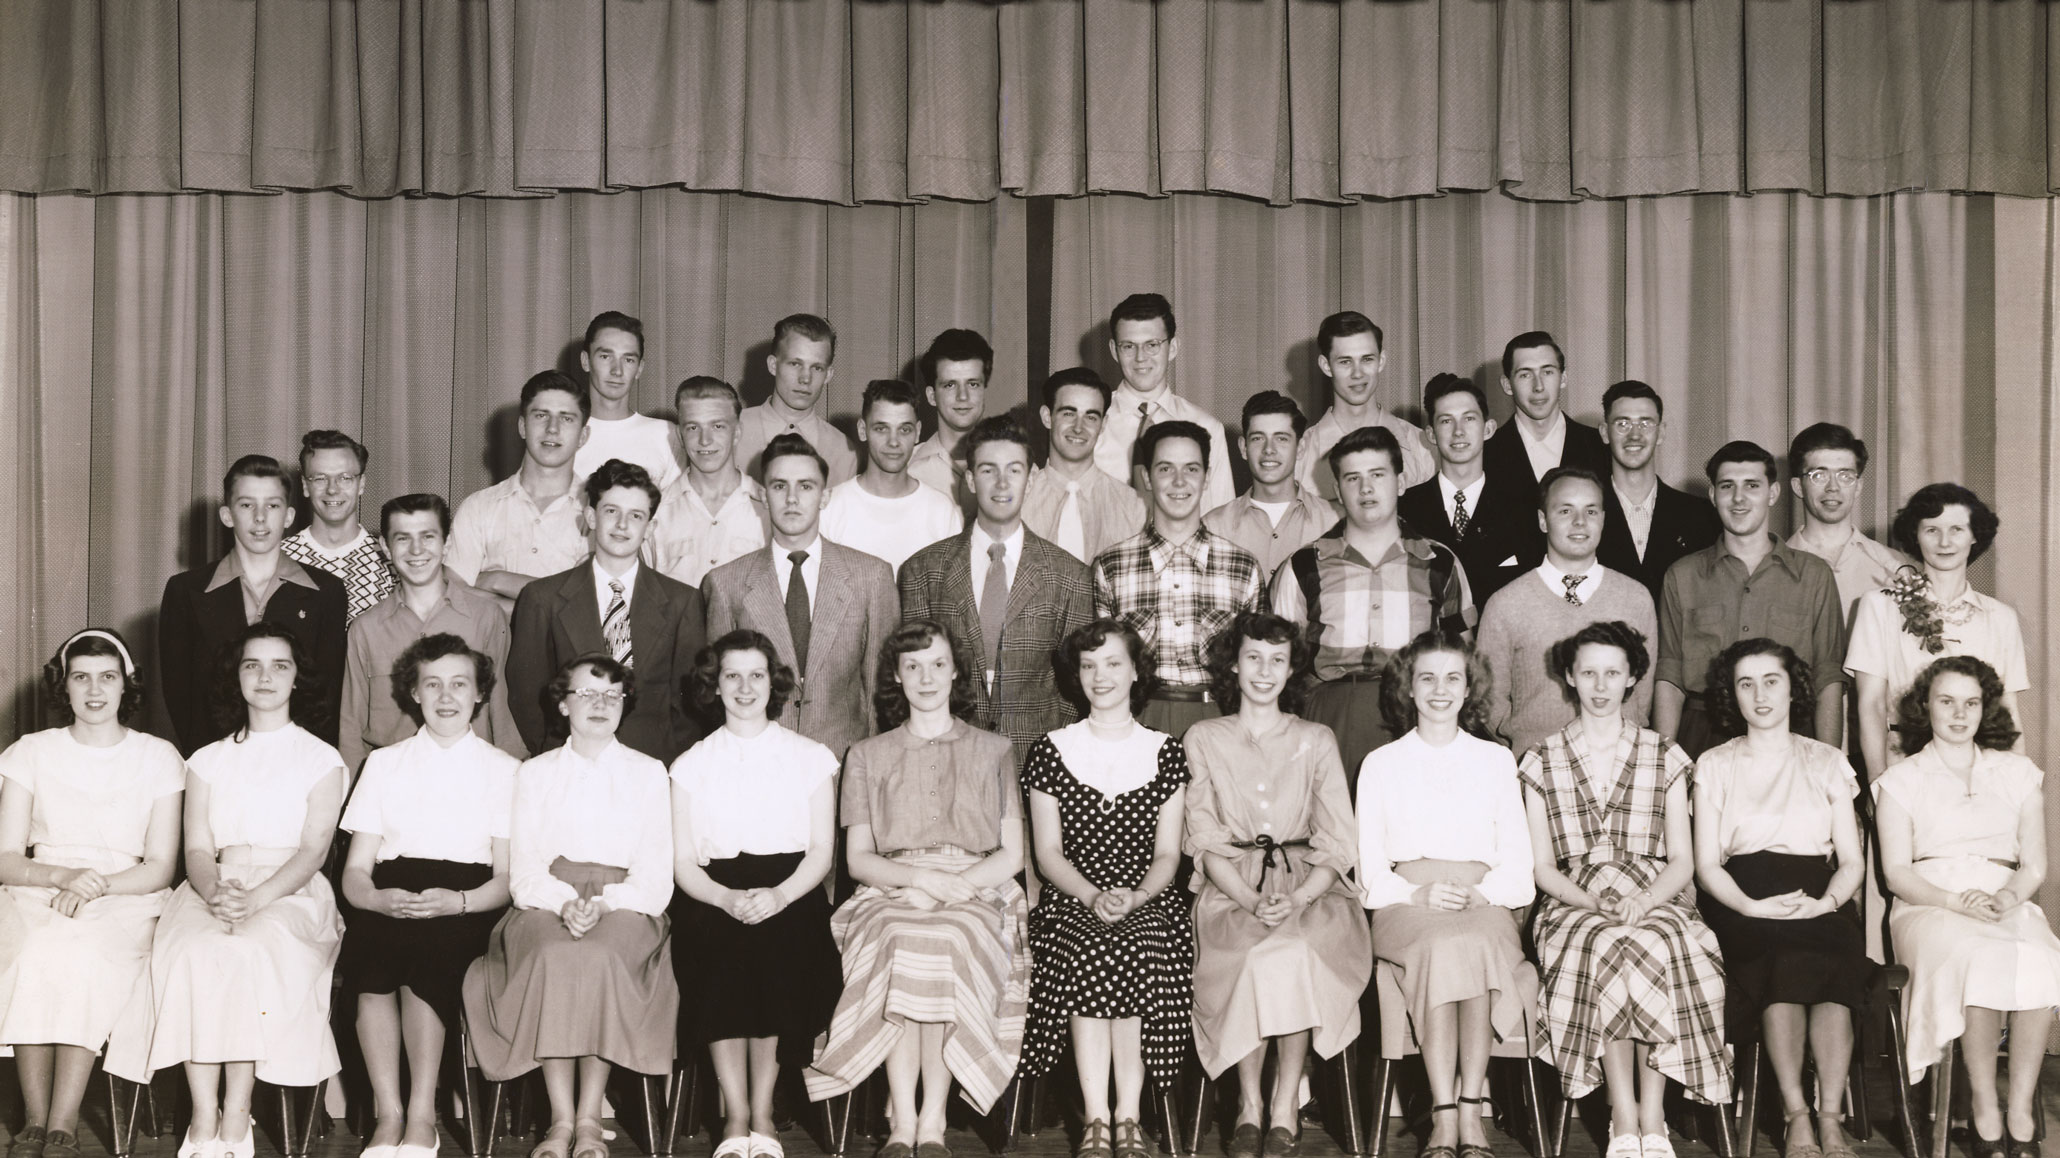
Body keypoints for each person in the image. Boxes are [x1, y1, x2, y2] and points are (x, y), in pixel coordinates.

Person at [105, 624, 349, 1158]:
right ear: (235, 677)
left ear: (297, 677)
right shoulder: (207, 760)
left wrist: (257, 900)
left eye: (279, 665)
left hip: (291, 889)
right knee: (197, 950)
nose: (265, 677)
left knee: (244, 950)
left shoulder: (322, 759)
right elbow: (197, 849)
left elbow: (313, 852)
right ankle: (203, 1112)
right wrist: (217, 890)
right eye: (252, 665)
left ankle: (236, 1113)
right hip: (213, 882)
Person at [806, 622, 1031, 1139]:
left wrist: (959, 885)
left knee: (948, 938)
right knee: (902, 938)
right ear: (896, 677)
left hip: (978, 884)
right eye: (912, 666)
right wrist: (917, 879)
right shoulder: (866, 755)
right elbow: (859, 860)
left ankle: (933, 1118)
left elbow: (1011, 854)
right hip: (891, 886)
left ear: (956, 672)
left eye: (937, 664)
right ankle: (903, 1118)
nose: (925, 678)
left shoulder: (994, 749)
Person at [1519, 620, 1731, 1158]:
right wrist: (1591, 902)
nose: (1599, 684)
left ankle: (1652, 1116)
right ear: (1568, 677)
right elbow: (1543, 867)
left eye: (1612, 672)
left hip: (1655, 888)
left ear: (1633, 676)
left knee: (1656, 942)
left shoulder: (1665, 754)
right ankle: (1622, 1112)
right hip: (1574, 895)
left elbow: (1682, 860)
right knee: (1607, 942)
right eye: (1587, 672)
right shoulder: (1541, 760)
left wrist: (1644, 900)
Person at [460, 656, 677, 1158]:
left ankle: (588, 1118)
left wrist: (604, 904)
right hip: (545, 900)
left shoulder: (648, 773)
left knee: (598, 957)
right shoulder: (534, 774)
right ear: (563, 704)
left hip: (627, 904)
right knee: (555, 957)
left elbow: (655, 872)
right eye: (586, 694)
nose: (599, 705)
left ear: (624, 705)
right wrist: (564, 904)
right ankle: (559, 1119)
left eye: (611, 696)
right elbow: (526, 868)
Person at [1184, 613, 1371, 1157]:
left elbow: (1338, 838)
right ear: (1234, 665)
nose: (1264, 671)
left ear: (1292, 669)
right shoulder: (1204, 737)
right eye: (1253, 658)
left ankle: (1286, 1098)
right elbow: (1204, 835)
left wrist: (1299, 897)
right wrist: (1246, 899)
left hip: (1310, 885)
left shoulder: (1315, 738)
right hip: (1230, 886)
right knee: (1251, 953)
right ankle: (1249, 1103)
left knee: (1294, 948)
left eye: (1277, 660)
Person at [0, 631, 182, 1158]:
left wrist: (97, 887)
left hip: (126, 895)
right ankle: (33, 1118)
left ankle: (63, 1120)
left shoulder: (158, 756)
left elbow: (159, 866)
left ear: (127, 685)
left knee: (81, 952)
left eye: (108, 677)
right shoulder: (30, 753)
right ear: (64, 684)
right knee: (35, 949)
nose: (95, 690)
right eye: (81, 676)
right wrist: (60, 877)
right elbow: (7, 857)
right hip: (40, 886)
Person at [339, 634, 518, 1158]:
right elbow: (355, 871)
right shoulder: (385, 764)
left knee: (428, 957)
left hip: (466, 899)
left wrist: (457, 903)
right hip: (391, 892)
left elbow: (507, 879)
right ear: (413, 693)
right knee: (372, 961)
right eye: (432, 684)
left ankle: (422, 1114)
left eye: (459, 684)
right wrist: (374, 900)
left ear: (480, 694)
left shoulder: (504, 769)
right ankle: (387, 1113)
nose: (446, 696)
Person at [1018, 621, 1193, 1158]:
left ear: (1136, 671)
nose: (1101, 676)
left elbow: (1168, 854)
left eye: (1113, 663)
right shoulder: (1051, 750)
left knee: (1138, 945)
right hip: (1072, 897)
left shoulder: (1165, 751)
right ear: (1077, 676)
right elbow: (1048, 855)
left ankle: (1129, 1115)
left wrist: (1136, 896)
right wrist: (1093, 895)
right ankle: (1097, 1115)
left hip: (1149, 897)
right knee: (1093, 946)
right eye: (1089, 666)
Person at [1692, 639, 1872, 1158]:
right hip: (1741, 896)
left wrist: (1829, 903)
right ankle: (1797, 1117)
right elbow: (1706, 867)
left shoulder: (1827, 760)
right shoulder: (1714, 764)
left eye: (1772, 680)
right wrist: (1749, 906)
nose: (1760, 695)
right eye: (1746, 684)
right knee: (1781, 961)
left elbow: (1852, 861)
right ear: (1733, 694)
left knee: (1833, 960)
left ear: (1794, 687)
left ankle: (1831, 1118)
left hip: (1817, 894)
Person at [1357, 630, 1533, 1158]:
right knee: (1442, 946)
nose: (1440, 689)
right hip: (1405, 902)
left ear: (1468, 686)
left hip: (1484, 898)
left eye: (1452, 677)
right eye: (1426, 678)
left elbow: (1519, 862)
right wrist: (1418, 894)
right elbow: (1368, 869)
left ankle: (1470, 1111)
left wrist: (1483, 896)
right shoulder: (1381, 763)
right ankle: (1445, 1112)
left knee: (1472, 943)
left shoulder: (1497, 760)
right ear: (1408, 688)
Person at [1876, 655, 2060, 1158]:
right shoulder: (1901, 779)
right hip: (1929, 902)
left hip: (2004, 897)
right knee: (1977, 957)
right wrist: (1955, 900)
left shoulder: (2018, 773)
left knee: (2042, 956)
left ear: (1986, 709)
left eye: (1971, 702)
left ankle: (2019, 1110)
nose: (1959, 714)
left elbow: (2035, 866)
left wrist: (2007, 896)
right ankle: (1983, 1109)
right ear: (1925, 707)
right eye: (1946, 701)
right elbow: (1897, 874)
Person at [670, 631, 840, 1158]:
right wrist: (723, 899)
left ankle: (763, 1113)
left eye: (757, 675)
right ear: (714, 686)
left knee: (773, 951)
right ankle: (734, 1115)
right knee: (718, 951)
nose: (745, 687)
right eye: (732, 675)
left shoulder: (812, 757)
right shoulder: (690, 764)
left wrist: (780, 897)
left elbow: (820, 853)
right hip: (713, 892)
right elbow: (682, 862)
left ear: (775, 683)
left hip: (790, 891)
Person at [1273, 425, 1475, 776]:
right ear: (1336, 489)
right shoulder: (1304, 565)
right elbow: (1279, 661)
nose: (1365, 488)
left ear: (1399, 483)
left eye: (1377, 475)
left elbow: (1464, 654)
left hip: (1417, 713)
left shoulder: (1439, 562)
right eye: (1352, 478)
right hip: (1330, 715)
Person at [899, 417, 1096, 767]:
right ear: (971, 479)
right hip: (945, 758)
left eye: (1014, 470)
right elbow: (911, 675)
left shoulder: (1070, 576)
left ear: (1031, 479)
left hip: (1040, 761)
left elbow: (1077, 689)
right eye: (988, 470)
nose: (1002, 483)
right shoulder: (923, 571)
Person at [702, 433, 901, 760]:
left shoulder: (871, 576)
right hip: (759, 766)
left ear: (825, 496)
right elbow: (720, 694)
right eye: (780, 486)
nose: (792, 499)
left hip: (845, 764)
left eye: (806, 486)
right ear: (763, 496)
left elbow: (882, 689)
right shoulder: (726, 583)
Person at [506, 459, 708, 765]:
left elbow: (691, 704)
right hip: (570, 763)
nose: (622, 525)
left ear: (650, 528)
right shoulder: (542, 599)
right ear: (590, 516)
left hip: (653, 765)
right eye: (611, 511)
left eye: (636, 516)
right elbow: (528, 696)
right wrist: (555, 755)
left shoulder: (682, 602)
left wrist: (667, 760)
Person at [1653, 441, 1846, 758]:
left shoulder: (1814, 576)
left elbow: (1827, 677)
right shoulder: (1682, 575)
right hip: (1703, 735)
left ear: (1773, 493)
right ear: (1714, 496)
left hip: (1791, 735)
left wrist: (1829, 764)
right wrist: (1664, 762)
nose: (1739, 498)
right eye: (1727, 486)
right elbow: (1670, 676)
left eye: (1752, 486)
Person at [160, 454, 349, 755]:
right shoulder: (186, 591)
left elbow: (327, 695)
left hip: (295, 762)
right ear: (227, 515)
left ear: (288, 516)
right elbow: (179, 696)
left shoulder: (326, 592)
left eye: (272, 506)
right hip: (214, 762)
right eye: (247, 505)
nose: (260, 518)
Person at [1092, 421, 1267, 739]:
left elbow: (1259, 669)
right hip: (1137, 720)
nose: (1179, 482)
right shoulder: (1111, 567)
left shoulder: (1243, 568)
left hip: (1221, 721)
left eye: (1191, 469)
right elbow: (1099, 669)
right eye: (1165, 469)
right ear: (1146, 477)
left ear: (1207, 476)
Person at [1847, 483, 2029, 780]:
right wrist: (1879, 782)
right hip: (1905, 767)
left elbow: (2008, 713)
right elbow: (1871, 705)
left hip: (1982, 771)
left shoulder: (2001, 618)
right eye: (1931, 530)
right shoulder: (1878, 607)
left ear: (1974, 536)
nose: (1945, 542)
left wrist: (2021, 786)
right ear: (1916, 537)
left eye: (1957, 529)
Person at [1476, 467, 1657, 757]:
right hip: (1535, 770)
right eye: (1565, 511)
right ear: (1542, 520)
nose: (1579, 522)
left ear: (1603, 519)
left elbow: (1642, 696)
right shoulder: (1505, 603)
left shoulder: (1636, 598)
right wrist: (1524, 746)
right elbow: (1488, 698)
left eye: (1591, 511)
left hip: (1619, 765)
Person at [340, 493, 524, 774]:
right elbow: (351, 727)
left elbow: (503, 712)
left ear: (447, 543)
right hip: (392, 783)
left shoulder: (485, 618)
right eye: (402, 538)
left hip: (471, 778)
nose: (416, 550)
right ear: (385, 547)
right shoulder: (365, 629)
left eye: (427, 537)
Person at [447, 370, 594, 612]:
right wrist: (548, 605)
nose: (552, 429)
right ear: (523, 426)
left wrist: (496, 580)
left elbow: (590, 605)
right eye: (541, 415)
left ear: (583, 436)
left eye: (566, 418)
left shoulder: (600, 510)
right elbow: (453, 595)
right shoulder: (478, 507)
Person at [1090, 294, 1236, 512]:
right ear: (1114, 350)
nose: (1140, 357)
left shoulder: (1207, 427)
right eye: (1129, 346)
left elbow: (1222, 518)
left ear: (1173, 347)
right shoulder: (1089, 423)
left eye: (1152, 345)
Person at [1397, 373, 1529, 605]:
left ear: (1488, 429)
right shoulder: (1406, 508)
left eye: (1469, 419)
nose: (1458, 431)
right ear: (1431, 435)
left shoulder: (1522, 505)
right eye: (1446, 421)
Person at [1481, 331, 1611, 564]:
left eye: (1548, 372)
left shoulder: (1600, 448)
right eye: (1524, 375)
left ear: (1563, 378)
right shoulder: (1485, 454)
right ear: (1506, 384)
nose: (1538, 386)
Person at [1594, 381, 1721, 602]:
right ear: (1605, 433)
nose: (1635, 435)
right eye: (1622, 424)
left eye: (1645, 423)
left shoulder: (1701, 515)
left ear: (1661, 432)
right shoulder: (1584, 514)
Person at [820, 378, 964, 572]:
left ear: (918, 432)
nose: (894, 442)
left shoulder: (941, 511)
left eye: (904, 429)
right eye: (881, 429)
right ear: (863, 430)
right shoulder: (830, 508)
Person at [1294, 311, 1434, 500]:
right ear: (1326, 366)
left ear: (1381, 361)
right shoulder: (1300, 457)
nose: (1357, 373)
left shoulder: (1422, 448)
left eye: (1367, 359)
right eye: (1345, 362)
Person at [647, 376, 769, 588]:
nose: (705, 440)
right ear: (680, 435)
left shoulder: (768, 509)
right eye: (693, 428)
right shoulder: (656, 512)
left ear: (737, 432)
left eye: (718, 426)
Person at [1202, 392, 1340, 577]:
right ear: (1243, 448)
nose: (1269, 450)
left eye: (1281, 438)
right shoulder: (1213, 527)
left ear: (1300, 448)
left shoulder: (1334, 521)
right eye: (1258, 438)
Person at [1783, 423, 1910, 622]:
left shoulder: (1894, 565)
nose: (1833, 487)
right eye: (1819, 475)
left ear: (1858, 486)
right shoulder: (1776, 566)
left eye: (1845, 476)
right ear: (1798, 487)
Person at [1024, 368, 1148, 565]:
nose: (1078, 427)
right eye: (1068, 413)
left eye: (1091, 417)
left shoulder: (1134, 507)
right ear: (1047, 417)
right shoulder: (1018, 501)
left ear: (1103, 424)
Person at [283, 430, 399, 625]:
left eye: (345, 478)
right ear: (304, 485)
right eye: (320, 478)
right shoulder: (281, 558)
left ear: (361, 484)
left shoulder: (392, 561)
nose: (332, 489)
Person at [736, 313, 860, 487]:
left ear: (828, 375)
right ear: (773, 365)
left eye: (817, 368)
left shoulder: (842, 450)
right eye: (795, 364)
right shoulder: (731, 431)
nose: (805, 379)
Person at [573, 312, 682, 489]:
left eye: (628, 359)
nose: (617, 370)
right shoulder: (562, 432)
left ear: (639, 368)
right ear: (586, 361)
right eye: (605, 356)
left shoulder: (666, 435)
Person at [908, 329, 993, 512]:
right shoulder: (907, 470)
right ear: (931, 396)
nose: (963, 396)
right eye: (950, 385)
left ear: (984, 391)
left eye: (973, 384)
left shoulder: (1020, 468)